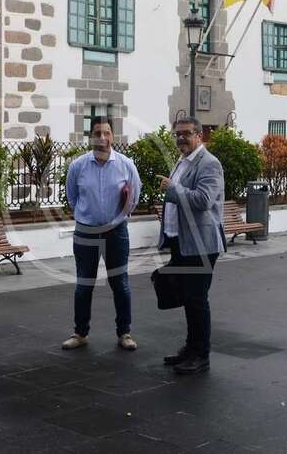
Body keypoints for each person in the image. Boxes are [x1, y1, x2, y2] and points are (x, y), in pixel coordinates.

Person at [62, 117, 142, 351]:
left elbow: (135, 196)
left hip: (116, 232)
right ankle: (80, 333)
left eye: (107, 133)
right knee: (83, 285)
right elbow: (72, 197)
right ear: (91, 137)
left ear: (113, 136)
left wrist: (118, 218)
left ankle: (124, 333)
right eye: (98, 133)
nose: (102, 138)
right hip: (86, 232)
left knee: (121, 284)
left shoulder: (126, 165)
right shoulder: (78, 166)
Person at [156, 117, 225, 374]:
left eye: (186, 133)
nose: (181, 138)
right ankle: (190, 348)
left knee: (197, 299)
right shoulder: (182, 162)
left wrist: (173, 190)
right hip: (181, 241)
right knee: (187, 297)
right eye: (177, 134)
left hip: (201, 245)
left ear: (199, 135)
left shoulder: (209, 163)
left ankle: (201, 355)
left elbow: (203, 200)